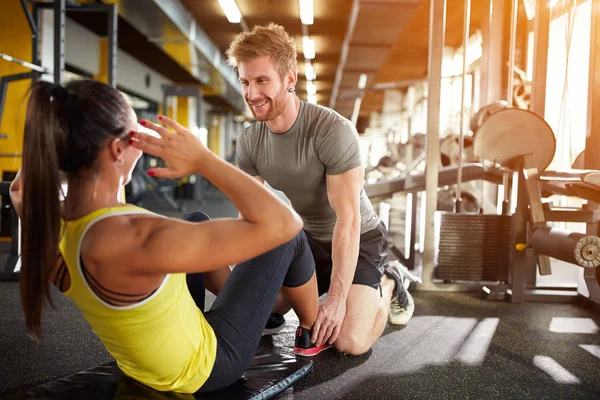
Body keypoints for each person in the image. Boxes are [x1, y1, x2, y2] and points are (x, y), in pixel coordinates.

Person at [10, 79, 326, 394]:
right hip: (206, 367)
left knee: (195, 220)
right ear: (117, 149)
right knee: (289, 240)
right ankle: (313, 329)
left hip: (140, 363)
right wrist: (204, 161)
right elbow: (285, 223)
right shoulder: (140, 235)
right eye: (137, 136)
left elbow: (21, 187)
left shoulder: (45, 221)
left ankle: (260, 308)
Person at [226, 23, 416, 356]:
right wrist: (246, 284)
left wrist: (340, 299)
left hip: (360, 238)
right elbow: (250, 218)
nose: (252, 94)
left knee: (350, 342)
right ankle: (326, 286)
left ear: (289, 79)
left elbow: (349, 219)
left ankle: (388, 282)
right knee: (259, 310)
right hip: (308, 241)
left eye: (261, 81)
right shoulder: (250, 142)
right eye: (245, 81)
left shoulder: (332, 131)